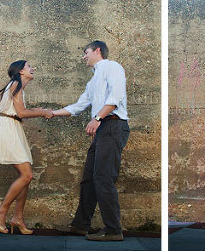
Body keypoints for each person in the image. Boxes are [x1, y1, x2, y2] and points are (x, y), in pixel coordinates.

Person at [51, 40, 129, 241]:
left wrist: (97, 118)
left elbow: (116, 96)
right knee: (89, 180)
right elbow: (78, 106)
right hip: (103, 129)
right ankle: (80, 226)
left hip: (112, 125)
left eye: (85, 52)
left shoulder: (113, 67)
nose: (83, 56)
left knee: (103, 178)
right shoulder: (92, 81)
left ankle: (113, 230)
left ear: (97, 50)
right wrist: (50, 113)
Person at [0, 60, 52, 235]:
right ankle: (1, 211)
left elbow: (20, 112)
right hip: (8, 129)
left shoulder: (17, 86)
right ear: (21, 71)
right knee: (27, 175)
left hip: (12, 128)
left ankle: (18, 218)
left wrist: (38, 109)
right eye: (29, 66)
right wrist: (42, 112)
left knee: (25, 176)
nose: (33, 68)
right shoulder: (16, 84)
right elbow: (22, 113)